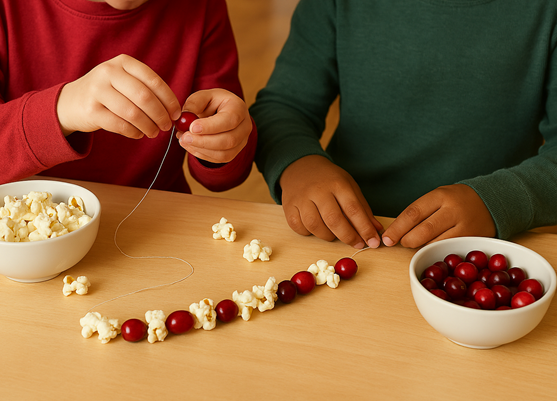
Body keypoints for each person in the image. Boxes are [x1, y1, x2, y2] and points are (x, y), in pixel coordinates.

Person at [250, 0, 557, 249]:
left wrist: (497, 201)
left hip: (487, 251)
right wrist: (299, 165)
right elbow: (283, 107)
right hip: (345, 239)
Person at [0, 0, 256, 193]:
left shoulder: (202, 7)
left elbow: (226, 175)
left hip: (157, 227)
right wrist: (60, 110)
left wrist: (225, 141)